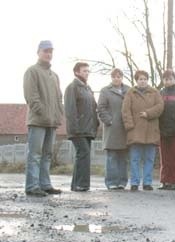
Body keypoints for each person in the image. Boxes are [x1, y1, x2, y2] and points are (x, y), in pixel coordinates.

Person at [23, 40, 63, 197]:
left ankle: (45, 185)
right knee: (35, 154)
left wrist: (58, 113)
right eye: (45, 51)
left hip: (52, 122)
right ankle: (32, 186)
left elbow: (59, 97)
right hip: (38, 121)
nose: (48, 54)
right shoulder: (32, 71)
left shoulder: (54, 75)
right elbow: (31, 96)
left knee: (47, 155)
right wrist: (43, 113)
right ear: (38, 52)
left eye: (50, 51)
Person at [122, 70, 164, 191]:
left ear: (148, 80)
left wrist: (148, 113)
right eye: (140, 79)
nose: (143, 81)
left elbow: (160, 107)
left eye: (145, 79)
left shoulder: (155, 92)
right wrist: (130, 126)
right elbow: (125, 110)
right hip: (135, 131)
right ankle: (134, 182)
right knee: (135, 159)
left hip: (151, 130)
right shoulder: (130, 93)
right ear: (136, 80)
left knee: (149, 159)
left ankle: (147, 182)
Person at [64, 62, 99, 192]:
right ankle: (82, 184)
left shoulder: (88, 89)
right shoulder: (72, 87)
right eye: (84, 71)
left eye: (88, 71)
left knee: (83, 155)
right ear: (77, 72)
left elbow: (93, 108)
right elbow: (69, 110)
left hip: (88, 129)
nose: (87, 73)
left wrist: (96, 124)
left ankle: (76, 185)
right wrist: (75, 128)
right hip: (77, 130)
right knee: (83, 153)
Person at [98, 68, 130, 190]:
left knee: (123, 156)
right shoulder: (105, 91)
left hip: (125, 128)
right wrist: (109, 120)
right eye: (114, 76)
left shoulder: (129, 90)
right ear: (111, 78)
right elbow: (101, 108)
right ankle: (111, 182)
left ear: (122, 77)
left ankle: (122, 181)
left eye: (119, 76)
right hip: (112, 129)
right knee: (112, 156)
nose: (117, 78)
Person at [158, 69, 175, 191]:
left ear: (174, 79)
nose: (168, 81)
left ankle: (173, 182)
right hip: (162, 130)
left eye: (170, 79)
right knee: (164, 158)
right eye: (166, 79)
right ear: (163, 80)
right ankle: (164, 181)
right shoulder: (160, 93)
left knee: (174, 157)